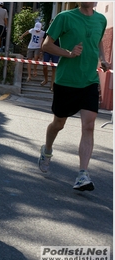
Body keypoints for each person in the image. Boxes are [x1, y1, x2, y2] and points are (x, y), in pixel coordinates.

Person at [38, 2, 110, 191]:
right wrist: (68, 53)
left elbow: (99, 40)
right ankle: (46, 150)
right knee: (58, 123)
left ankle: (82, 174)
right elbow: (46, 45)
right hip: (66, 81)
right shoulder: (65, 17)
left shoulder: (101, 19)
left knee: (89, 126)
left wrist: (102, 59)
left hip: (89, 81)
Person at [41, 20, 60, 91]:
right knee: (44, 67)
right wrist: (41, 50)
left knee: (54, 69)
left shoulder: (60, 31)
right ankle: (46, 79)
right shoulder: (47, 31)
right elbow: (43, 41)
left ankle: (52, 85)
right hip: (47, 51)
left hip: (56, 52)